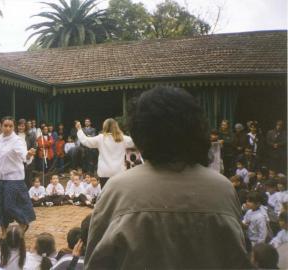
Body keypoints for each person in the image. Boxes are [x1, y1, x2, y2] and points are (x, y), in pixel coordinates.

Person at [85, 87, 251, 269]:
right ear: (196, 129)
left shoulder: (117, 190)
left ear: (140, 133)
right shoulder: (223, 189)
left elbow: (96, 263)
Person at [0, 116, 36, 236]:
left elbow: (24, 155)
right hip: (0, 178)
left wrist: (29, 155)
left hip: (14, 179)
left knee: (10, 205)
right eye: (5, 125)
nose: (8, 128)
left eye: (10, 126)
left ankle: (23, 223)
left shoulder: (18, 140)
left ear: (13, 127)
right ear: (2, 126)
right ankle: (3, 233)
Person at [76, 118, 134, 188]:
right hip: (119, 171)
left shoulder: (100, 138)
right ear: (116, 127)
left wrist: (79, 129)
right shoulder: (123, 138)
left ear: (105, 127)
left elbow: (86, 141)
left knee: (106, 196)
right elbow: (137, 142)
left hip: (104, 172)